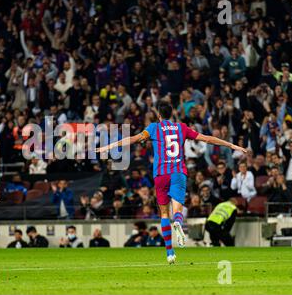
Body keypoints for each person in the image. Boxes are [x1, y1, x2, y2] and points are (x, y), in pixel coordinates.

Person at [97, 102, 246, 263]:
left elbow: (133, 139)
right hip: (177, 172)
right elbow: (207, 139)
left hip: (161, 174)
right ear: (172, 114)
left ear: (159, 115)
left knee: (164, 213)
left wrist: (110, 146)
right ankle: (178, 223)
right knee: (177, 209)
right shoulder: (181, 127)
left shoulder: (154, 127)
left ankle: (170, 253)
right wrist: (231, 145)